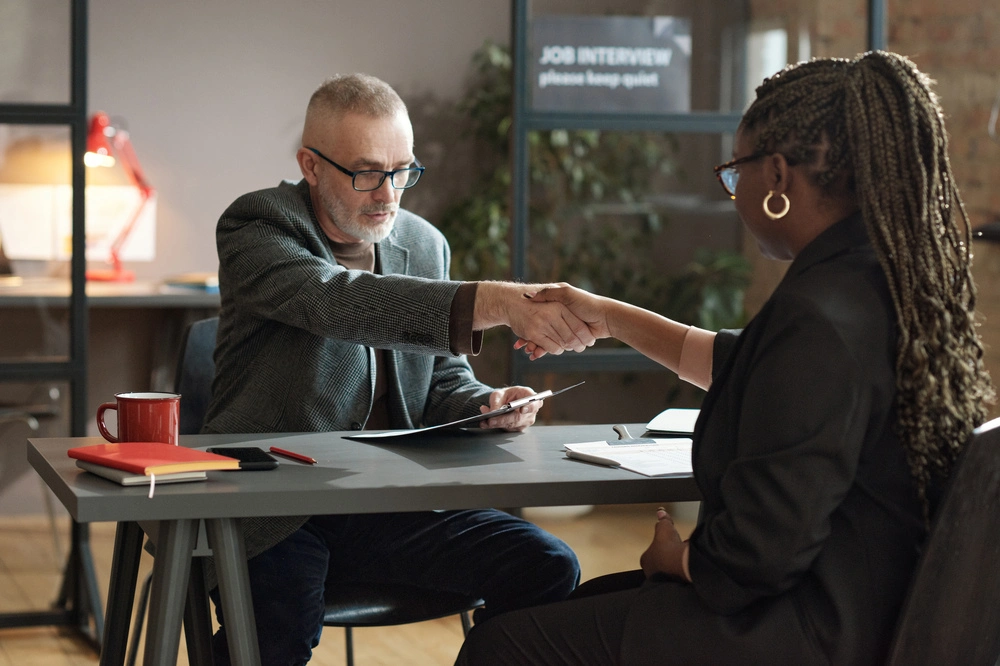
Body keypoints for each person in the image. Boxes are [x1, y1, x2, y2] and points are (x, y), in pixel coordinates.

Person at [456, 51, 996, 665]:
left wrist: (675, 558)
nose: (735, 196)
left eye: (735, 175)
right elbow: (741, 365)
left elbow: (755, 557)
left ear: (777, 177)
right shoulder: (881, 284)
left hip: (801, 632)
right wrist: (608, 315)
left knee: (506, 645)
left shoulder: (819, 317)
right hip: (862, 609)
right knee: (564, 612)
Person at [201, 73, 595, 664]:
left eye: (403, 170)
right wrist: (492, 301)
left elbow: (439, 381)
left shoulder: (424, 243)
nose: (390, 193)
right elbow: (336, 302)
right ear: (311, 165)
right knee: (279, 619)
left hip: (386, 502)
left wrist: (483, 405)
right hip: (274, 503)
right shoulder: (257, 226)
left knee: (547, 567)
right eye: (367, 173)